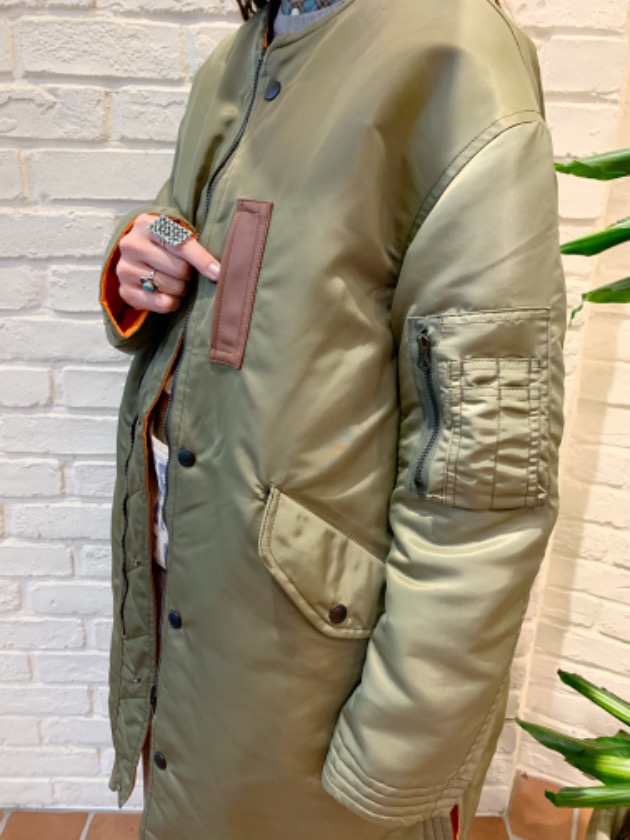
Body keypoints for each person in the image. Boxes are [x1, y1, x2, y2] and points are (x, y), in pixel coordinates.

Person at [98, 0, 566, 837]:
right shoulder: (237, 58)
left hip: (309, 658)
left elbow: (486, 467)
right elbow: (196, 245)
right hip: (193, 586)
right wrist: (143, 252)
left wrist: (398, 753)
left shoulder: (453, 51)